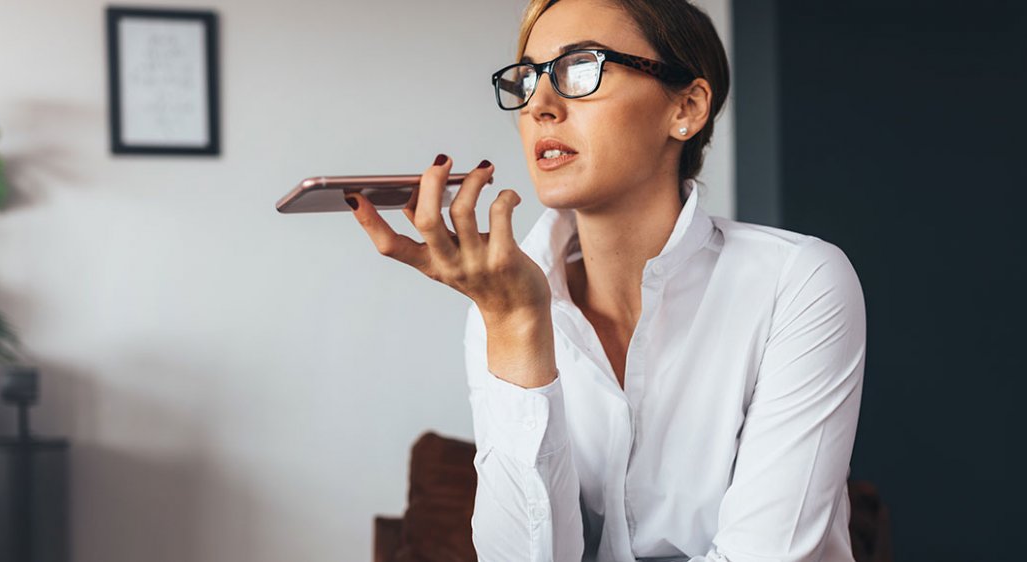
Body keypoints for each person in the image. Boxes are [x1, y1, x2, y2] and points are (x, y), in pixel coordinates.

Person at [345, 0, 866, 560]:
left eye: (580, 68)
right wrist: (516, 327)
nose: (540, 104)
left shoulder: (798, 282)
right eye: (527, 78)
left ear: (686, 107)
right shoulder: (501, 303)